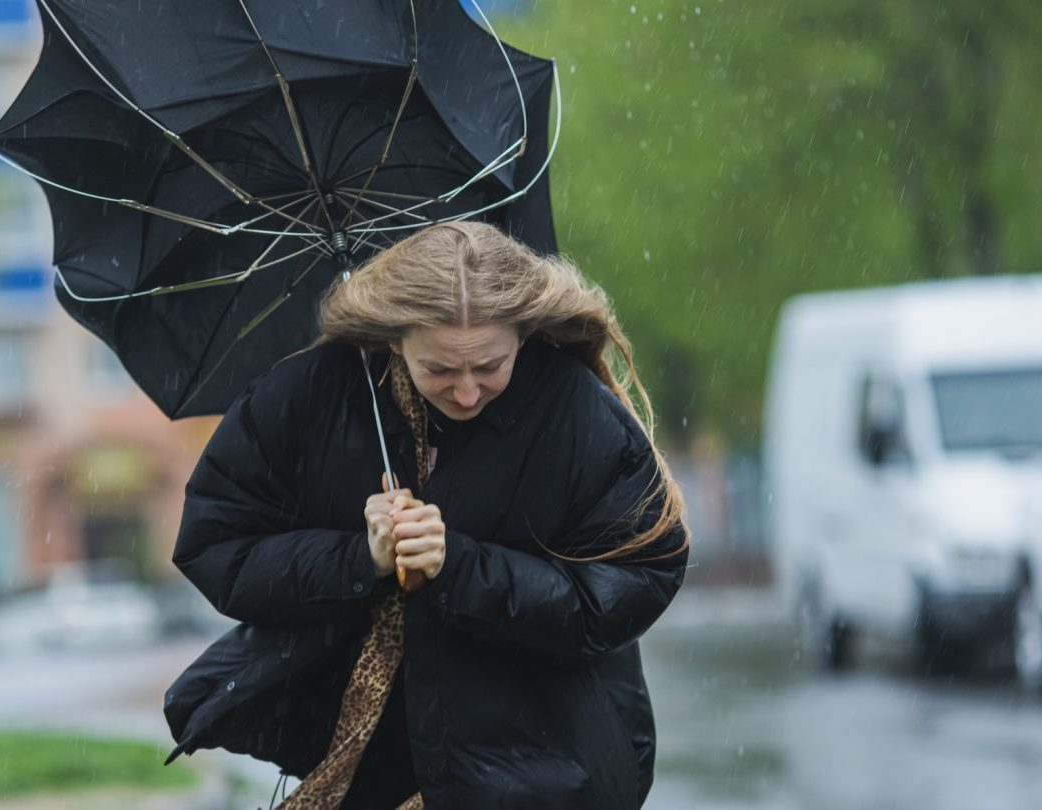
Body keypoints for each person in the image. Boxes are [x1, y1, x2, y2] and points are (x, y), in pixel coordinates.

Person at [164, 221, 690, 809]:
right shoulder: (307, 399)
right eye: (439, 369)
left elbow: (631, 585)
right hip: (368, 774)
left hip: (540, 777)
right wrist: (358, 558)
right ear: (395, 338)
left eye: (490, 365)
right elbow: (217, 548)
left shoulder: (577, 415)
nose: (467, 393)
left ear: (522, 334)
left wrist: (460, 567)